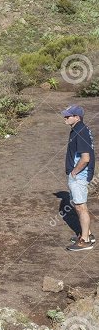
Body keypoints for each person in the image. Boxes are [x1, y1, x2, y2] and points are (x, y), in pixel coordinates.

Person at [63, 106, 96, 251]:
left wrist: (74, 173)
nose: (65, 118)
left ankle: (85, 241)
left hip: (79, 175)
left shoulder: (80, 131)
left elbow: (85, 158)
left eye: (68, 116)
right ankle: (86, 233)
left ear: (77, 117)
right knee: (77, 203)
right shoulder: (78, 129)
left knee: (80, 206)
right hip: (78, 174)